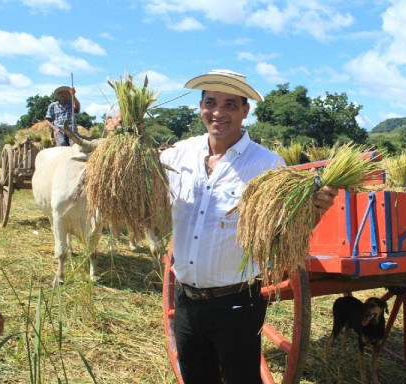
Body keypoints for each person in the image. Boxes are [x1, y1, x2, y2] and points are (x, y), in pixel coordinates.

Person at [106, 69, 337, 383]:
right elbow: (136, 193)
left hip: (237, 303)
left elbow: (282, 233)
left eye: (230, 105)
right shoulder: (178, 155)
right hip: (186, 302)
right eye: (210, 102)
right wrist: (121, 136)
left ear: (245, 111)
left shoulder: (267, 166)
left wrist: (314, 212)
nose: (218, 112)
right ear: (200, 107)